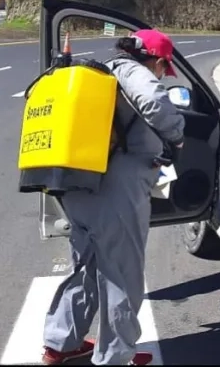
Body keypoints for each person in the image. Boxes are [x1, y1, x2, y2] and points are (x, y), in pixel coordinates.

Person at [41, 29, 186, 365]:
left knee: (85, 268)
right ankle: (116, 357)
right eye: (164, 68)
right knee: (121, 274)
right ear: (156, 59)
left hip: (78, 183)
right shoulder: (132, 71)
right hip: (115, 189)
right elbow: (153, 101)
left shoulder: (101, 73)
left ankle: (60, 344)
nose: (163, 75)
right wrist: (176, 135)